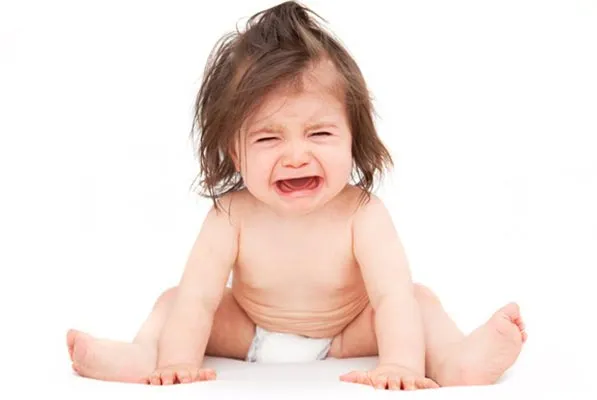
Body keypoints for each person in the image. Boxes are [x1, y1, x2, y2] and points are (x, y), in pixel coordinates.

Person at [66, 1, 527, 390]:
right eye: (268, 139)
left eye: (319, 133)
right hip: (248, 332)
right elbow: (200, 299)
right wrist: (180, 362)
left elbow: (389, 298)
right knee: (174, 302)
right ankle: (146, 357)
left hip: (347, 334)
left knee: (416, 300)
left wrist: (399, 365)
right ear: (235, 152)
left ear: (353, 137)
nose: (296, 156)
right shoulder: (231, 214)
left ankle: (453, 361)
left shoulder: (362, 213)